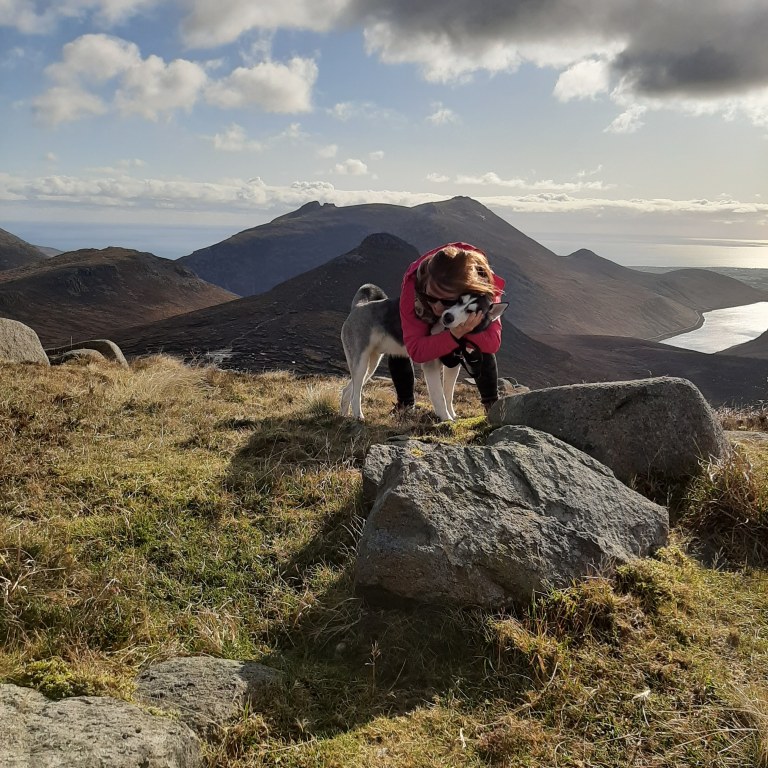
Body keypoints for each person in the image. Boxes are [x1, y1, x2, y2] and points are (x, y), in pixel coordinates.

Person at [398, 241, 506, 413]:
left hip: (460, 295)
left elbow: (492, 343)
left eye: (448, 301)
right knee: (401, 339)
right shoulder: (413, 287)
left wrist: (467, 330)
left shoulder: (483, 289)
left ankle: (492, 406)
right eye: (432, 298)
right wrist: (453, 334)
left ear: (468, 292)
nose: (438, 308)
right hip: (421, 299)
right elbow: (417, 350)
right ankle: (404, 404)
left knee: (480, 337)